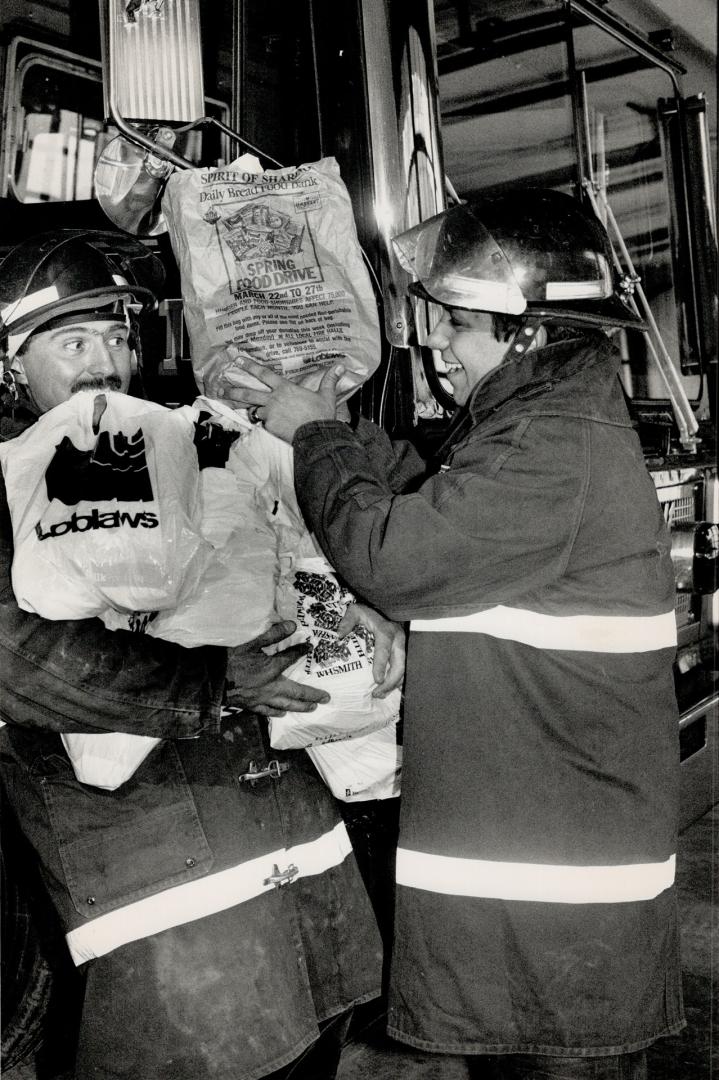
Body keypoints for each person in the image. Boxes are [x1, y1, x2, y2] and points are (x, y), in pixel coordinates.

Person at [210, 189, 684, 1079]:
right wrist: (336, 427)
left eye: (457, 323)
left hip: (556, 905)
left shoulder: (550, 444)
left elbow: (395, 553)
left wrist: (315, 435)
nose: (434, 342)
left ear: (530, 334)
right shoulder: (535, 423)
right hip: (537, 867)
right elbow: (438, 497)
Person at [0, 229, 405, 1080]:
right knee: (188, 1053)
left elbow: (266, 557)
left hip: (278, 824)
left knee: (308, 1039)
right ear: (7, 363)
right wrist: (216, 685)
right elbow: (23, 659)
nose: (104, 362)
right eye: (71, 342)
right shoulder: (8, 478)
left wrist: (347, 609)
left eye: (116, 337)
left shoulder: (170, 442)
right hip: (149, 860)